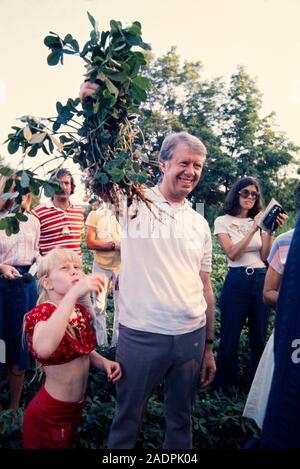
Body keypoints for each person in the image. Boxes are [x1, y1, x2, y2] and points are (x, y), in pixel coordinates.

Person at [81, 90, 216, 449]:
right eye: (184, 163)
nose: (190, 172)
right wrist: (93, 110)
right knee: (127, 419)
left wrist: (208, 346)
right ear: (163, 165)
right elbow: (98, 170)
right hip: (141, 335)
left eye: (197, 166)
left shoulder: (199, 223)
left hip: (189, 336)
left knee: (181, 420)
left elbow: (205, 287)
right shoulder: (135, 203)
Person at [22, 247, 122, 449]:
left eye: (77, 267)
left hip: (74, 410)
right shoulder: (43, 312)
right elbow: (43, 349)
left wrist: (103, 362)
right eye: (65, 268)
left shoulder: (77, 311)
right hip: (49, 414)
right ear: (47, 283)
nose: (74, 271)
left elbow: (82, 352)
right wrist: (74, 293)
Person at [213, 177, 286, 392]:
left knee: (258, 336)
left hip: (260, 279)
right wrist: (253, 228)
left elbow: (265, 256)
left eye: (254, 194)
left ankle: (256, 387)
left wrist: (268, 230)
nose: (250, 197)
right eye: (245, 192)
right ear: (236, 194)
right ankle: (226, 386)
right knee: (229, 335)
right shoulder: (223, 221)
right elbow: (233, 254)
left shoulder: (261, 221)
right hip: (237, 279)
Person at [243, 183, 299, 429]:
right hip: (290, 339)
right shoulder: (287, 242)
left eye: (255, 193)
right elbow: (268, 294)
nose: (250, 197)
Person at [0, 185, 40, 410]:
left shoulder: (33, 221)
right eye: (13, 190)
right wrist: (1, 267)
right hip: (1, 285)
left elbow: (34, 251)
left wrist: (38, 261)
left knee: (19, 343)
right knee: (0, 344)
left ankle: (14, 408)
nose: (19, 196)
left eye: (23, 191)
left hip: (24, 286)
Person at [86, 198, 121, 346]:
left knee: (121, 307)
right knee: (99, 306)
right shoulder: (95, 214)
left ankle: (116, 345)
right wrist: (113, 245)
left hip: (121, 266)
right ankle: (102, 345)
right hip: (101, 265)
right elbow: (90, 242)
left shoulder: (125, 215)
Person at [31, 168, 84, 257]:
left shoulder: (79, 212)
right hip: (50, 269)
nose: (63, 187)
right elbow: (31, 245)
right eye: (58, 183)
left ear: (72, 187)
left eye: (66, 183)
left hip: (75, 268)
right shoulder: (38, 213)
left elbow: (79, 240)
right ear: (51, 187)